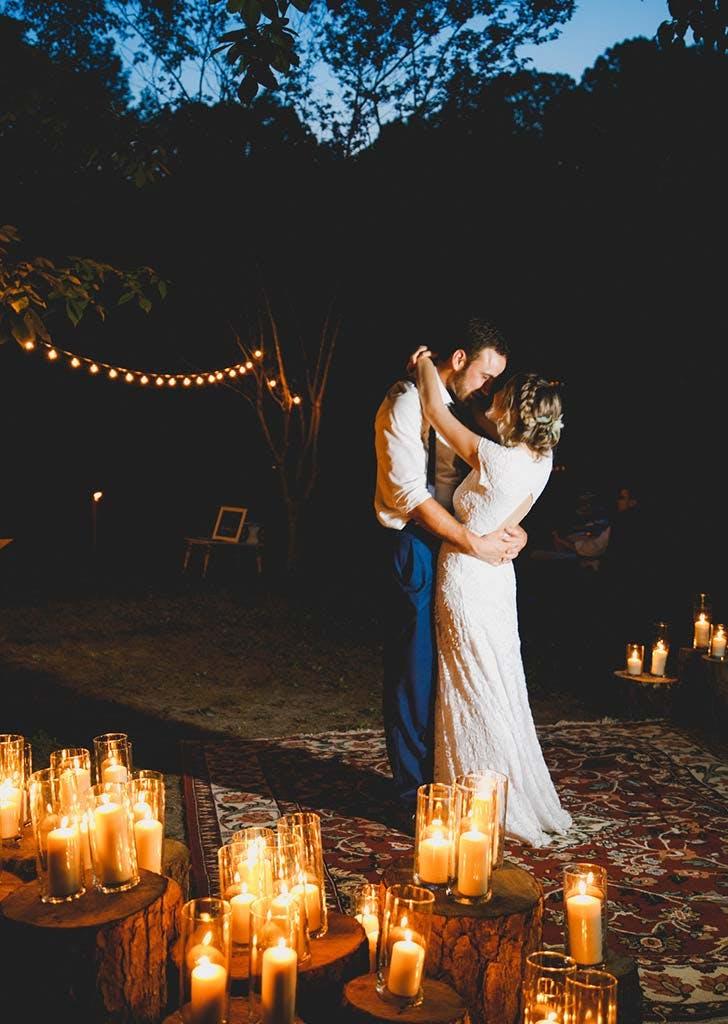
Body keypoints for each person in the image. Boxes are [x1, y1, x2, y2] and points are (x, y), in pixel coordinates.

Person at [412, 346, 572, 847]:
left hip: (466, 576)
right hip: (498, 582)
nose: (490, 403)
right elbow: (513, 516)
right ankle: (499, 790)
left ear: (514, 411)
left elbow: (437, 413)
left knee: (471, 686)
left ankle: (478, 799)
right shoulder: (541, 461)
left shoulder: (495, 457)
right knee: (498, 682)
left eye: (498, 398)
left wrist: (422, 362)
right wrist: (520, 534)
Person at [373, 319, 528, 830]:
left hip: (462, 550)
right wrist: (474, 542)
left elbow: (502, 480)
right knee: (415, 670)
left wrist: (515, 532)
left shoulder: (465, 412)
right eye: (485, 375)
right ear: (459, 359)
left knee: (455, 670)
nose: (489, 389)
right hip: (417, 545)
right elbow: (411, 499)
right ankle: (412, 797)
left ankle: (452, 780)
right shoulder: (403, 403)